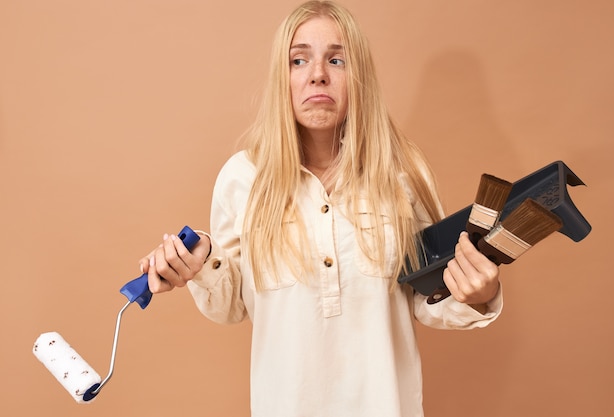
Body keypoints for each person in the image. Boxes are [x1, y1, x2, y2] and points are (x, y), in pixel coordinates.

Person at [139, 1, 502, 416]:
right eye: (299, 60)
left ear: (358, 76)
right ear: (283, 76)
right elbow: (232, 305)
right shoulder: (242, 177)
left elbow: (427, 297)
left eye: (337, 59)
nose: (318, 74)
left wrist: (480, 293)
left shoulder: (401, 171)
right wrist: (201, 262)